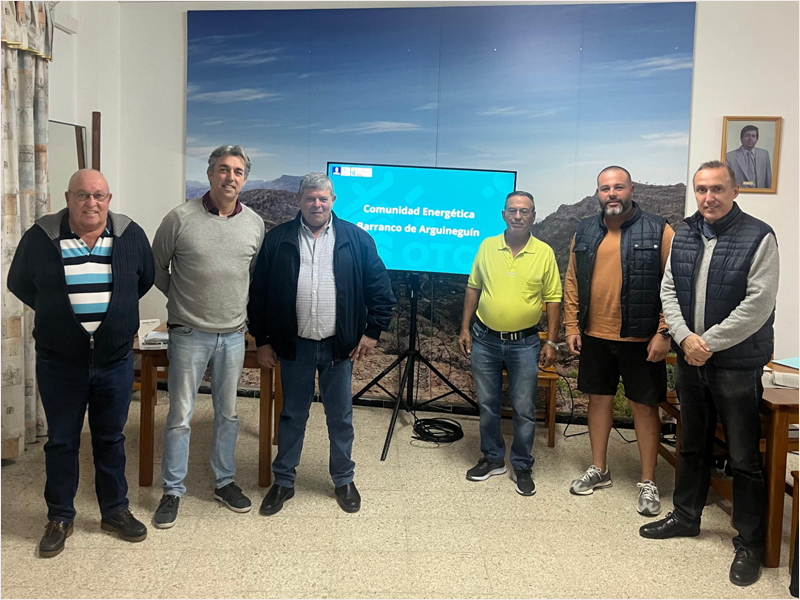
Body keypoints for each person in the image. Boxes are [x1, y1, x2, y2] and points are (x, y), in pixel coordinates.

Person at [640, 160, 779, 587]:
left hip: (736, 364)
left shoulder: (759, 236)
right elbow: (668, 288)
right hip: (689, 358)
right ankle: (686, 516)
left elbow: (759, 303)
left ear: (735, 191)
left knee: (743, 457)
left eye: (717, 189)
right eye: (701, 189)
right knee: (692, 445)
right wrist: (684, 338)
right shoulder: (684, 232)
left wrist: (708, 343)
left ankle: (750, 544)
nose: (708, 197)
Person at [7, 169, 154, 557]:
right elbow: (19, 282)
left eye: (99, 196)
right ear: (68, 197)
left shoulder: (129, 234)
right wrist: (59, 316)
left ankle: (115, 511)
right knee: (62, 442)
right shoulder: (41, 236)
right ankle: (59, 516)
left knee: (111, 439)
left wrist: (114, 320)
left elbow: (145, 279)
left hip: (115, 360)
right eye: (83, 195)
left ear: (109, 198)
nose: (91, 203)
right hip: (60, 363)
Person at [248, 172, 395, 515]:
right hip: (293, 346)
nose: (317, 204)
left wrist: (372, 332)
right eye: (310, 198)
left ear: (333, 201)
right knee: (292, 415)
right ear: (299, 201)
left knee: (340, 417)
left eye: (323, 198)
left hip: (337, 348)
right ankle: (283, 481)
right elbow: (258, 294)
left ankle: (343, 479)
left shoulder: (356, 239)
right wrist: (263, 340)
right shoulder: (279, 239)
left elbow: (381, 292)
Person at [151, 145, 265, 528]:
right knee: (180, 415)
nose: (229, 177)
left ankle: (224, 481)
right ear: (210, 173)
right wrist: (183, 301)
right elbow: (156, 268)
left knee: (228, 414)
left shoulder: (255, 224)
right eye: (222, 169)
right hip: (188, 333)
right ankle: (172, 490)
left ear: (244, 179)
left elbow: (252, 275)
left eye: (237, 171)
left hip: (233, 336)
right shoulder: (179, 218)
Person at [564, 166, 674, 516]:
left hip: (642, 338)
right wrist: (571, 325)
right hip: (595, 334)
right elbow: (571, 280)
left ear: (631, 189)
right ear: (598, 193)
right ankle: (600, 469)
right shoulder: (584, 230)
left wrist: (663, 332)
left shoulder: (659, 229)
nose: (611, 194)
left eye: (618, 187)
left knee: (644, 406)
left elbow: (674, 287)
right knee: (598, 402)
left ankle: (647, 480)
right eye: (604, 188)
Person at [458, 191, 562, 497]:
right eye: (513, 211)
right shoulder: (488, 246)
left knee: (524, 407)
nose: (518, 216)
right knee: (488, 405)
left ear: (533, 216)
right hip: (485, 339)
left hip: (525, 343)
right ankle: (492, 458)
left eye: (525, 212)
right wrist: (464, 328)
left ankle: (521, 464)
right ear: (503, 214)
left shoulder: (544, 253)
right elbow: (473, 288)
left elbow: (554, 299)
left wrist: (552, 342)